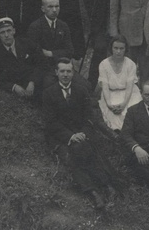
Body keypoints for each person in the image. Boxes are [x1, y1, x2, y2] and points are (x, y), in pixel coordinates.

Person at [43, 57, 119, 210]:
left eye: (69, 71)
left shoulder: (81, 90)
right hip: (61, 137)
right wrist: (70, 136)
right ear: (56, 72)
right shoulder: (48, 93)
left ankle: (107, 187)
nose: (65, 74)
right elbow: (50, 122)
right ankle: (93, 192)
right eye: (62, 71)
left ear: (73, 73)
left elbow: (89, 116)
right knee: (72, 158)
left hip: (81, 134)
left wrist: (83, 132)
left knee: (88, 153)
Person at [83, 0, 123, 86]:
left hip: (119, 25)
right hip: (101, 25)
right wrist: (92, 13)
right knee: (99, 51)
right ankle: (91, 86)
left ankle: (116, 87)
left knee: (118, 55)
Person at [0, 17, 39, 100]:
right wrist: (13, 87)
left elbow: (41, 64)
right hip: (18, 86)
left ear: (14, 31)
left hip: (34, 82)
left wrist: (32, 82)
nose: (6, 35)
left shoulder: (27, 44)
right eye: (2, 32)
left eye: (9, 31)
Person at [26, 0, 75, 89]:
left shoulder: (63, 25)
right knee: (51, 87)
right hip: (43, 68)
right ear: (43, 9)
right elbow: (35, 53)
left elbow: (70, 51)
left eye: (57, 6)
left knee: (84, 85)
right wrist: (59, 53)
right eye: (50, 7)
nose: (54, 10)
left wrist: (51, 53)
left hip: (62, 66)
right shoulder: (35, 26)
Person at [97, 36, 142, 132]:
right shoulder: (103, 64)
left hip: (129, 94)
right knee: (113, 115)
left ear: (125, 49)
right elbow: (105, 87)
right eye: (116, 48)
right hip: (110, 93)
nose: (118, 51)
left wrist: (123, 104)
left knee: (131, 112)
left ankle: (132, 135)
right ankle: (117, 136)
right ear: (111, 48)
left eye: (121, 48)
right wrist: (109, 104)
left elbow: (130, 87)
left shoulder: (131, 64)